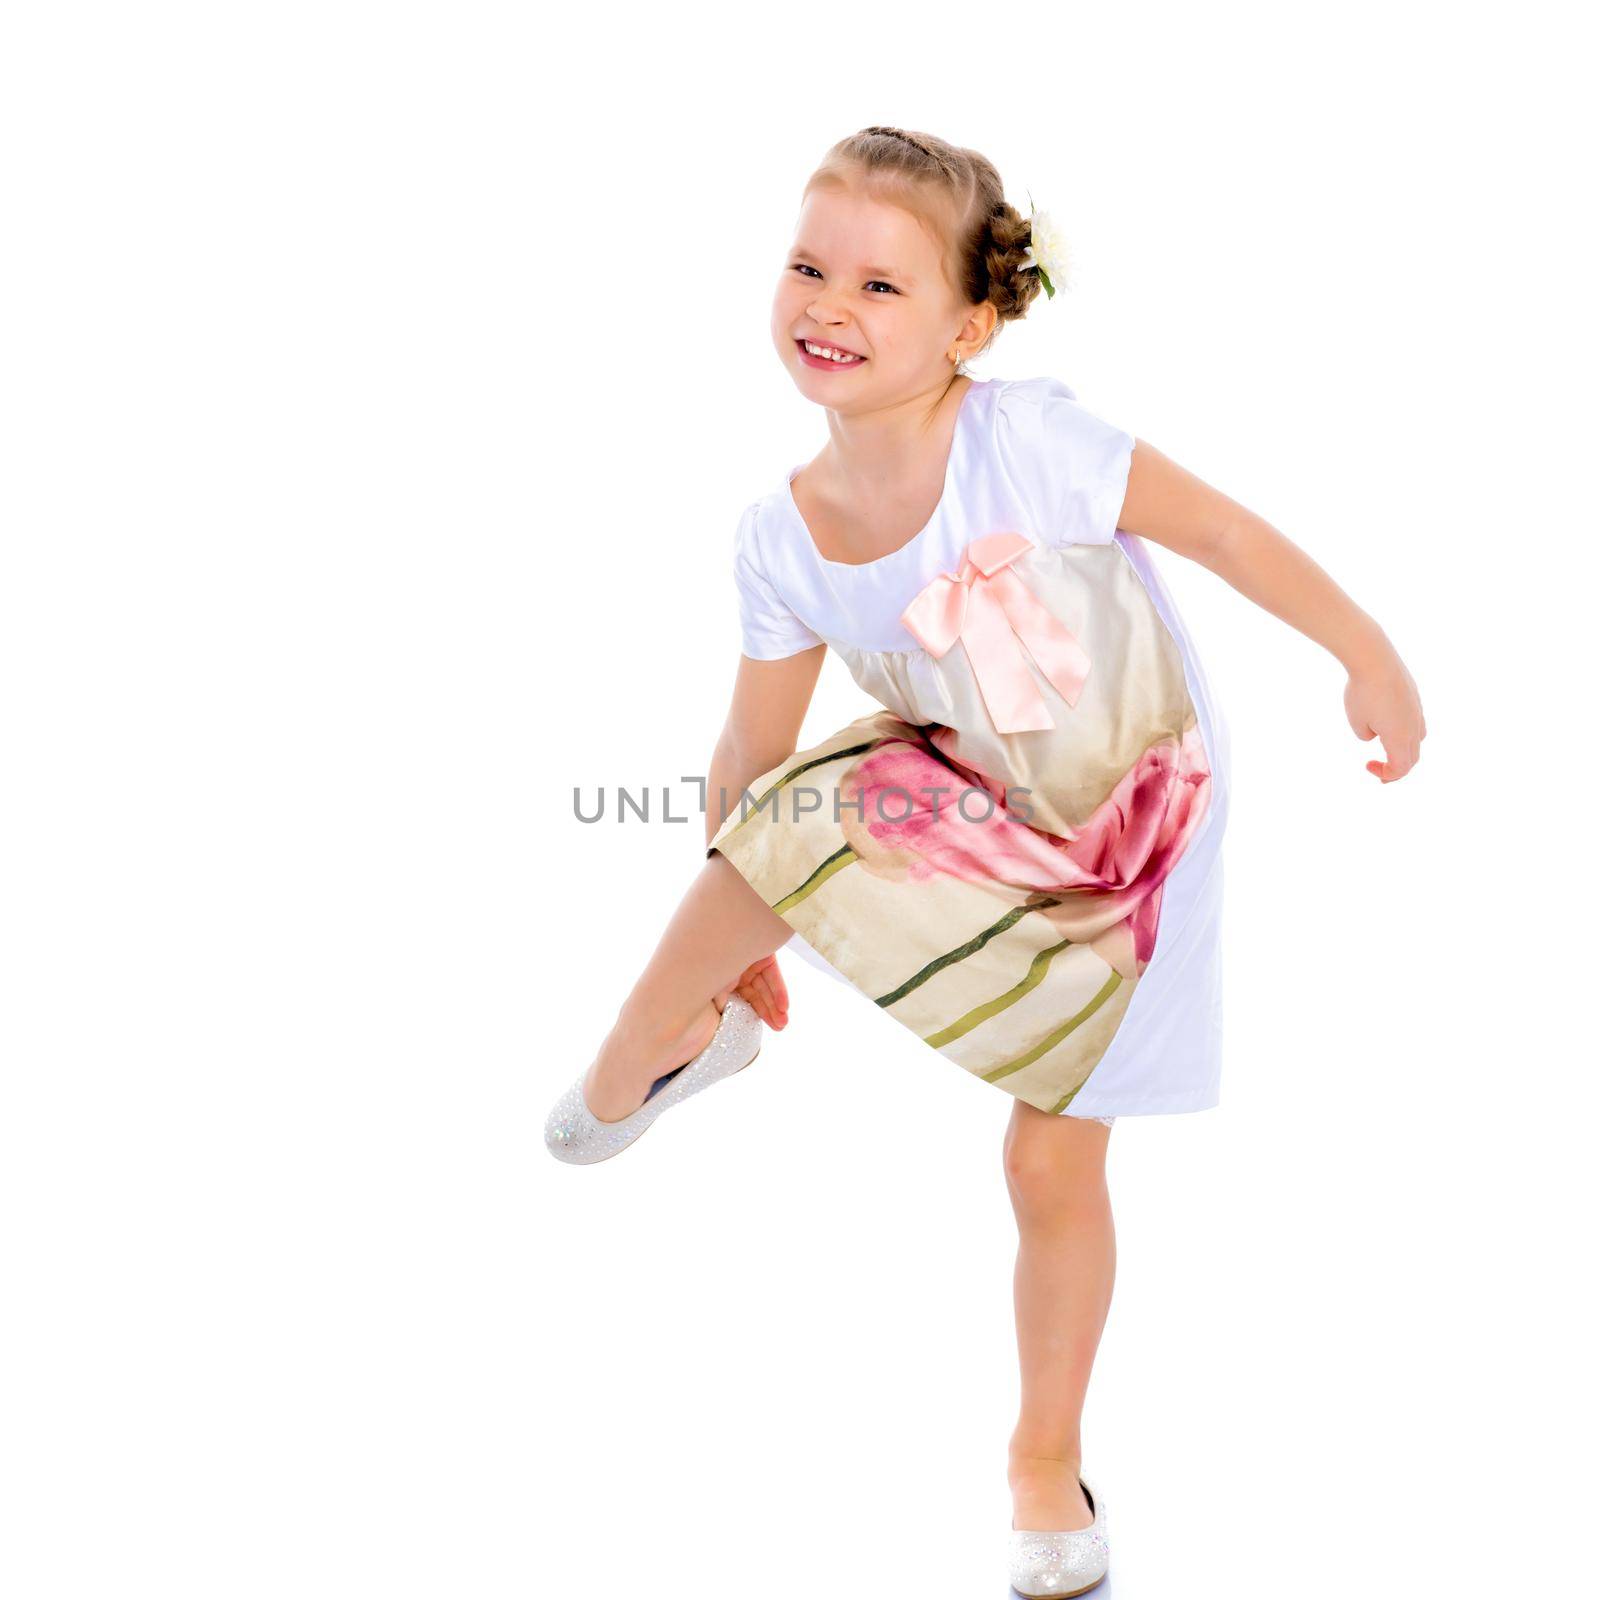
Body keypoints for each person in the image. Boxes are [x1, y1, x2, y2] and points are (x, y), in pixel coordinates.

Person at [544, 124, 1426, 1597]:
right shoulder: (781, 535)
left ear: (970, 324)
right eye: (810, 267)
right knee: (799, 810)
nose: (830, 305)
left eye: (882, 288)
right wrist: (737, 914)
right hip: (966, 791)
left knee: (1047, 1156)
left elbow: (1222, 532)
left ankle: (1043, 1455)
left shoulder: (1031, 442)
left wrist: (1369, 655)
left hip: (1136, 828)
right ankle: (661, 1033)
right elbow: (751, 757)